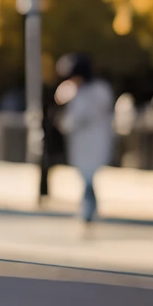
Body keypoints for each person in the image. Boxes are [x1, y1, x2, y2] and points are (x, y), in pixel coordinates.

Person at [54, 52, 115, 223]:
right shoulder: (96, 90)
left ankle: (88, 208)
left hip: (90, 141)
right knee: (87, 176)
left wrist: (64, 123)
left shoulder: (89, 92)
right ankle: (89, 207)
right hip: (90, 141)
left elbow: (77, 117)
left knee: (87, 175)